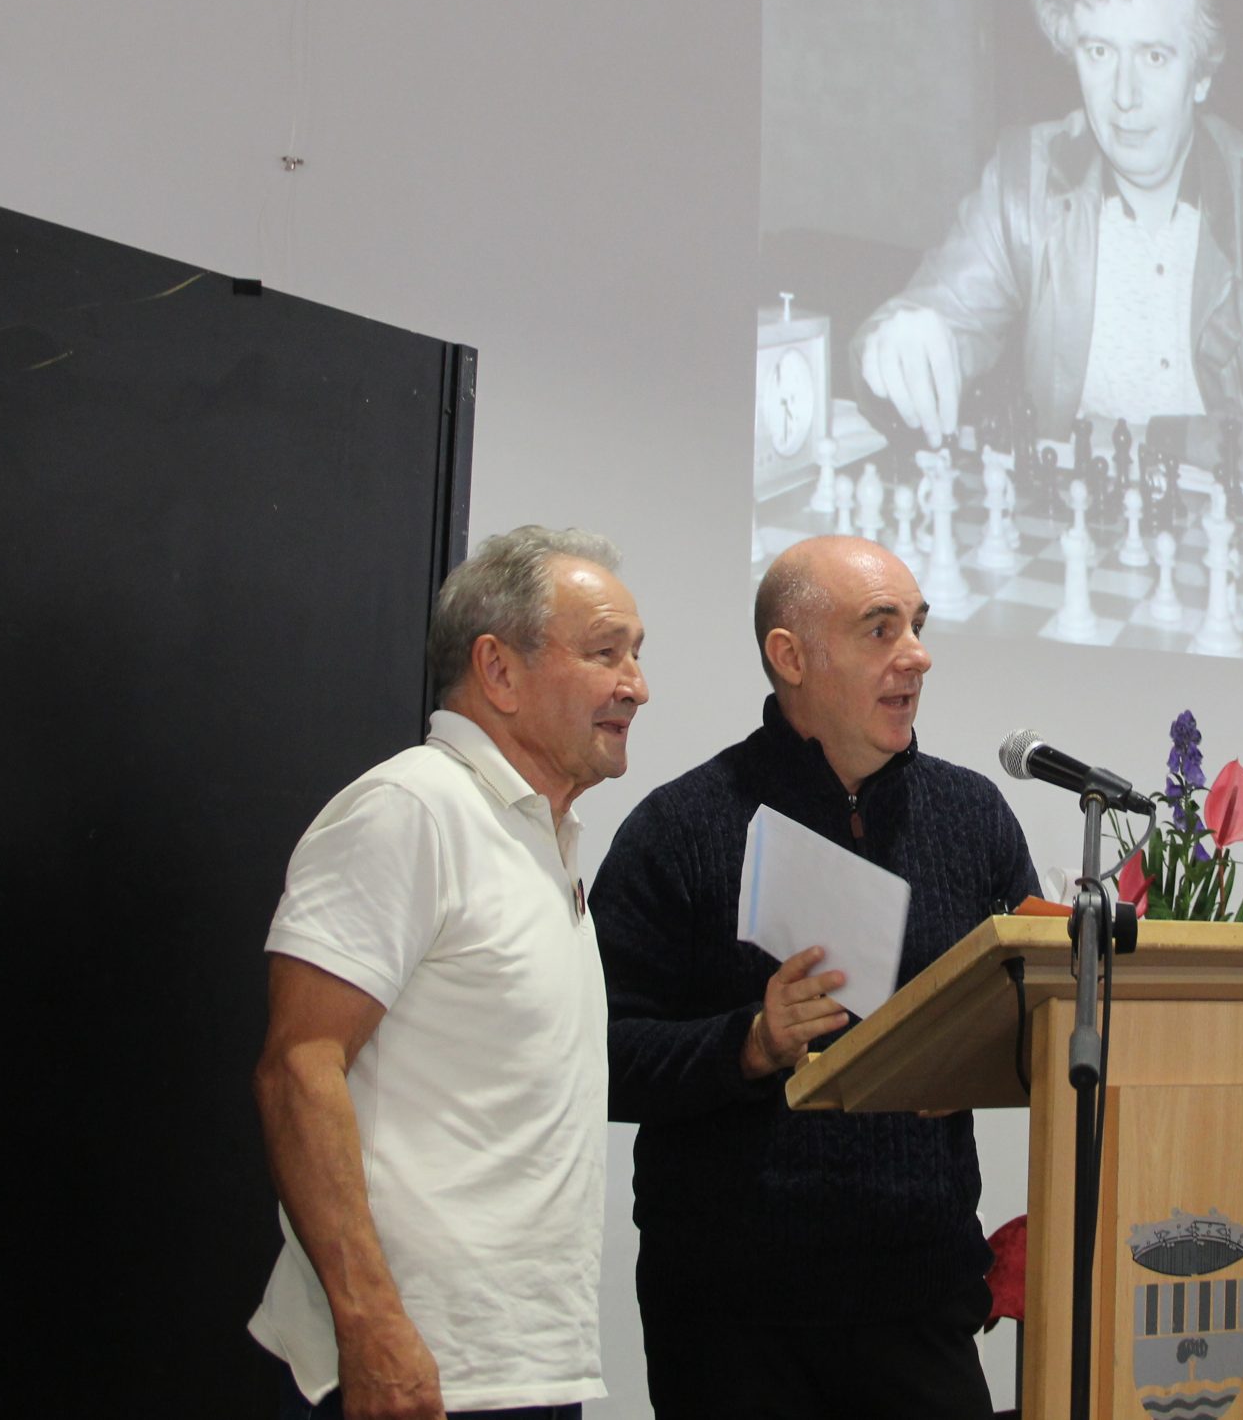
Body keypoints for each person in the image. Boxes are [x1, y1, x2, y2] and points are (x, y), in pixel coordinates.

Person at [592, 535, 1041, 1420]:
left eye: (917, 626)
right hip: (734, 1322)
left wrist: (976, 1055)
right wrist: (749, 1043)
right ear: (790, 656)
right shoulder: (681, 827)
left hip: (921, 1296)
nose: (917, 655)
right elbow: (598, 1055)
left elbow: (1036, 1011)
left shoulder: (973, 816)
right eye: (880, 629)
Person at [250, 527, 647, 1420]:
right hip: (410, 1372)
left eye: (636, 654)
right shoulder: (411, 808)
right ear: (498, 670)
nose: (637, 684)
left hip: (524, 1371)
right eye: (605, 653)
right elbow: (298, 1068)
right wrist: (370, 1324)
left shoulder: (541, 838)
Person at [853, 0, 1243, 489]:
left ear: (1201, 76)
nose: (1124, 95)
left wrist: (1152, 441)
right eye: (1099, 52)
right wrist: (896, 348)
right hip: (1074, 526)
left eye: (1154, 56)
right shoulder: (1027, 181)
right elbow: (913, 324)